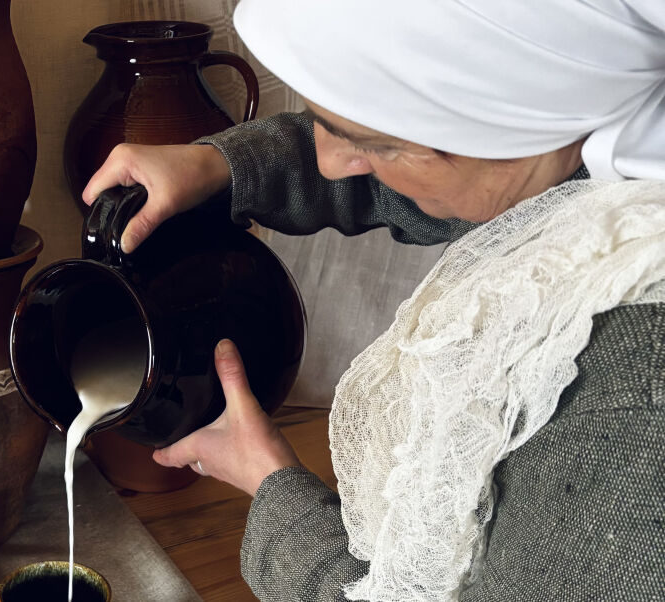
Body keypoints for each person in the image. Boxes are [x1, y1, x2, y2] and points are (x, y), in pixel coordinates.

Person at [82, 1, 665, 601]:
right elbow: (414, 167)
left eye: (375, 145)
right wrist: (218, 165)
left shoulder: (633, 391)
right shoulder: (585, 158)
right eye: (323, 118)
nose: (331, 163)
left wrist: (273, 488)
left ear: (505, 124)